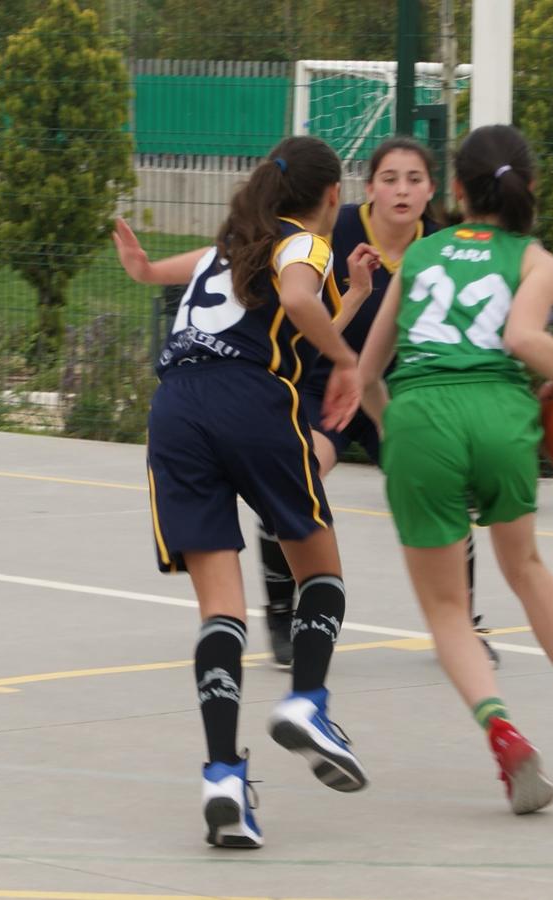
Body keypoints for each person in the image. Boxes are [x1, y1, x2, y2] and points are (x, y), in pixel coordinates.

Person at [115, 135, 553, 671]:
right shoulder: (332, 226)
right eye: (389, 179)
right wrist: (153, 270)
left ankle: (462, 623)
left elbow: (521, 270)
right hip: (330, 383)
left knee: (447, 492)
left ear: (435, 189)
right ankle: (282, 611)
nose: (402, 189)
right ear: (367, 189)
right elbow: (241, 255)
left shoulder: (445, 241)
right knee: (300, 478)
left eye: (414, 179)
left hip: (407, 389)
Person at [358, 124, 553, 815]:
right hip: (497, 414)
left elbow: (367, 373)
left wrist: (395, 430)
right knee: (525, 569)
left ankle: (503, 733)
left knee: (445, 607)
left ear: (453, 192)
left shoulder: (421, 255)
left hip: (419, 417)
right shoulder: (533, 258)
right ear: (530, 188)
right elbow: (522, 332)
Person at [136, 135, 380, 849]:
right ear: (331, 198)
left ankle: (222, 778)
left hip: (174, 412)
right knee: (320, 568)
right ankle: (306, 701)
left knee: (220, 607)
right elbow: (302, 303)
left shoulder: (228, 249)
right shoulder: (303, 243)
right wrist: (346, 362)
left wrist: (147, 267)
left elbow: (282, 324)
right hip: (248, 402)